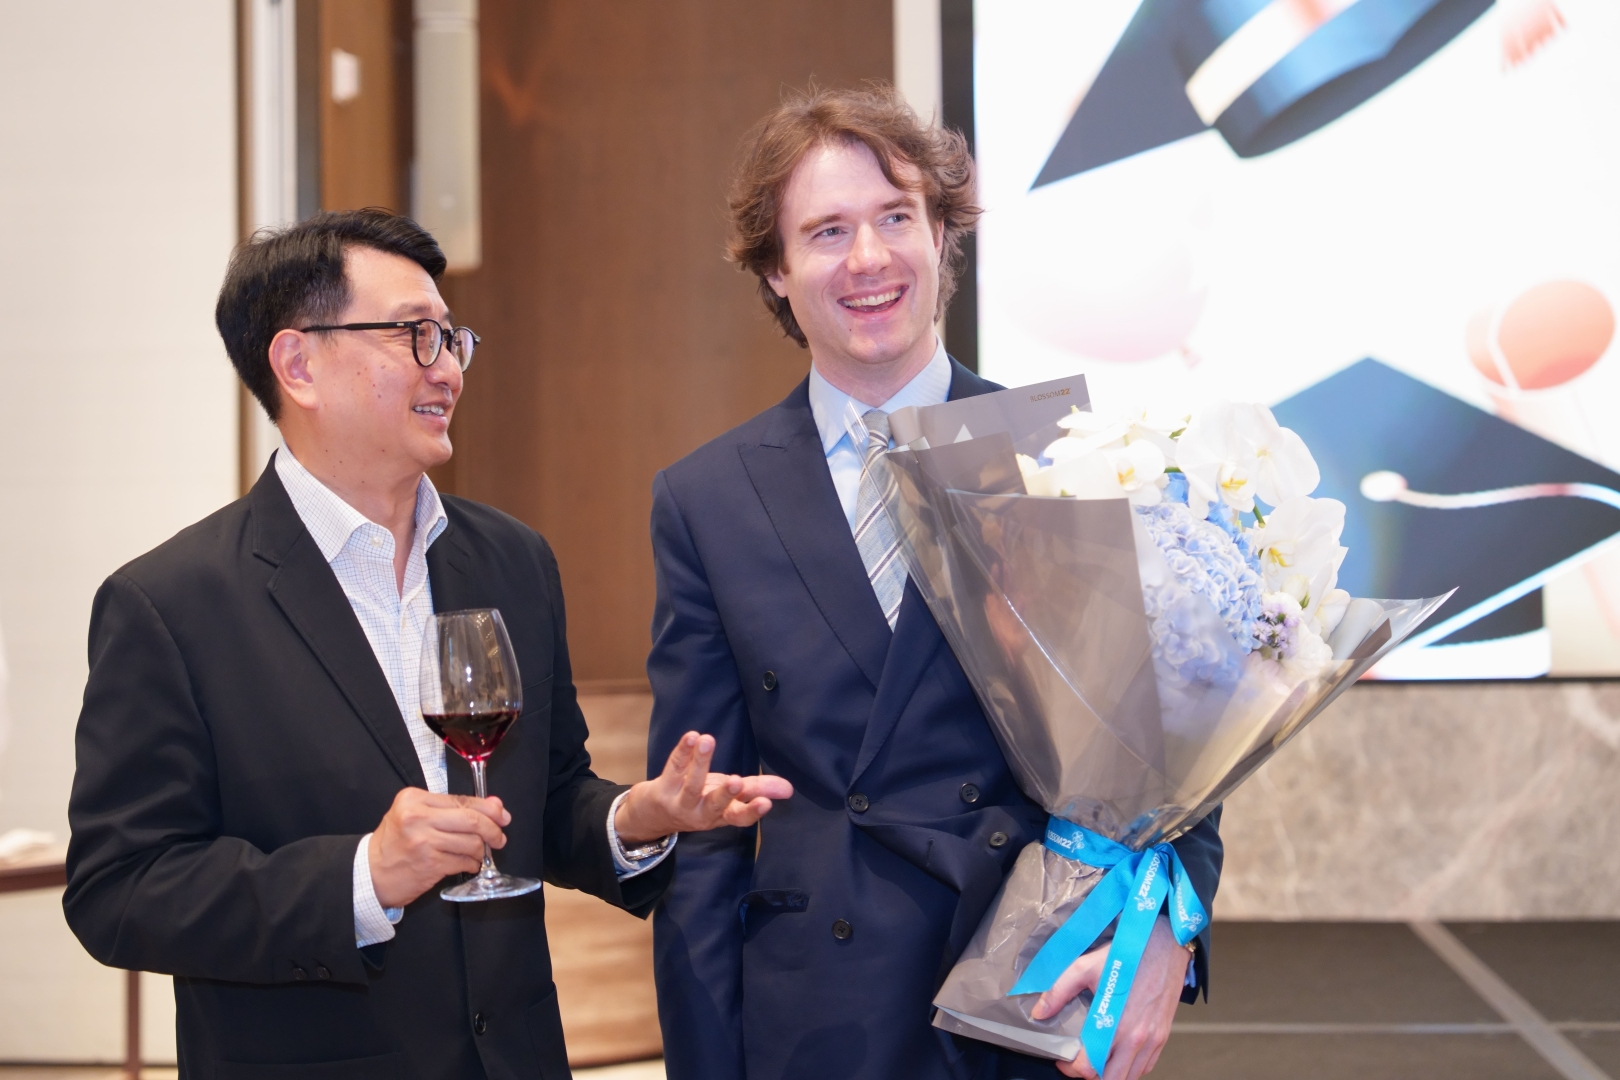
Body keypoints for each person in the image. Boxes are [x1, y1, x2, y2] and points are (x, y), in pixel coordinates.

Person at [64, 209, 790, 1079]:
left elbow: (546, 798)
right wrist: (363, 876)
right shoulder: (171, 605)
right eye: (415, 335)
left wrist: (635, 818)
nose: (446, 368)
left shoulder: (512, 560)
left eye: (452, 338)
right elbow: (120, 889)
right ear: (298, 364)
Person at [646, 85, 1223, 1080]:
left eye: (896, 217)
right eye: (827, 231)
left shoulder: (1068, 453)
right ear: (776, 269)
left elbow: (1172, 763)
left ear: (944, 235)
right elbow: (703, 829)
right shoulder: (708, 500)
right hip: (818, 1016)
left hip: (1031, 991)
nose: (868, 258)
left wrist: (1172, 936)